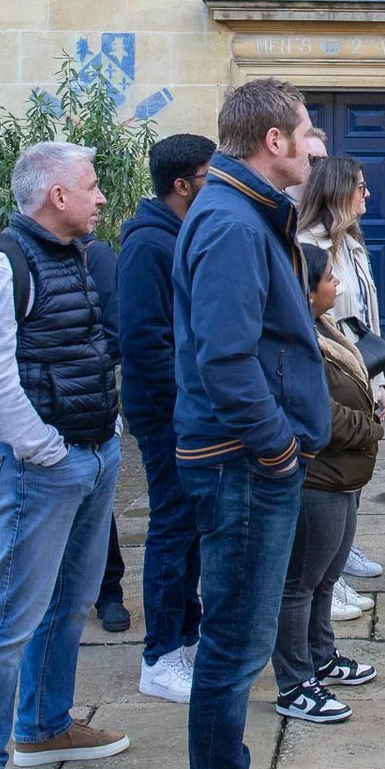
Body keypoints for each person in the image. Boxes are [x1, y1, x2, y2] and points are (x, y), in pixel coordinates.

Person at [0, 141, 129, 769]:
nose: (100, 196)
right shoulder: (2, 263)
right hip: (39, 466)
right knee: (8, 621)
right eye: (90, 186)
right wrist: (44, 448)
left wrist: (105, 430)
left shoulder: (75, 254)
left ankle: (46, 725)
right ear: (56, 196)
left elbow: (88, 347)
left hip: (93, 452)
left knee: (70, 603)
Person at [175, 78, 329, 769]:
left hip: (246, 462)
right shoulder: (234, 223)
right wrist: (276, 449)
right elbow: (226, 360)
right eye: (307, 132)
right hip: (241, 466)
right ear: (274, 141)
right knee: (234, 645)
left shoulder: (245, 209)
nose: (317, 144)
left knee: (239, 637)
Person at [120, 132, 217, 703]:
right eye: (209, 176)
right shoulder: (149, 245)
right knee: (172, 528)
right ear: (182, 185)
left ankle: (186, 630)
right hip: (167, 416)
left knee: (190, 529)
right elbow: (144, 342)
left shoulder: (179, 234)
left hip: (188, 411)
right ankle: (160, 654)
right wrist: (185, 406)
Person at [273, 243, 382, 724]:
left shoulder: (326, 328)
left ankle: (322, 655)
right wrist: (369, 428)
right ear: (306, 288)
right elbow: (317, 409)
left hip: (345, 473)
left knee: (326, 576)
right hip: (319, 474)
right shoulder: (295, 341)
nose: (337, 284)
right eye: (328, 278)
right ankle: (294, 682)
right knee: (300, 582)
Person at [297, 155, 385, 614]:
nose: (366, 193)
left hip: (360, 374)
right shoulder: (306, 247)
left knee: (354, 477)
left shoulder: (353, 244)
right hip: (329, 375)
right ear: (336, 192)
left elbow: (367, 320)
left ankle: (335, 572)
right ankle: (322, 582)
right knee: (330, 478)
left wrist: (381, 383)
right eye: (360, 185)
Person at [84, 231, 131, 635]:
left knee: (97, 506)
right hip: (39, 416)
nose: (100, 199)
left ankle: (108, 589)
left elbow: (118, 333)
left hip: (88, 406)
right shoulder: (4, 256)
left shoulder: (95, 255)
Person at [285, 127, 327, 204]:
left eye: (324, 160)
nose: (322, 167)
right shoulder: (272, 205)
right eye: (314, 160)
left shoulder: (333, 205)